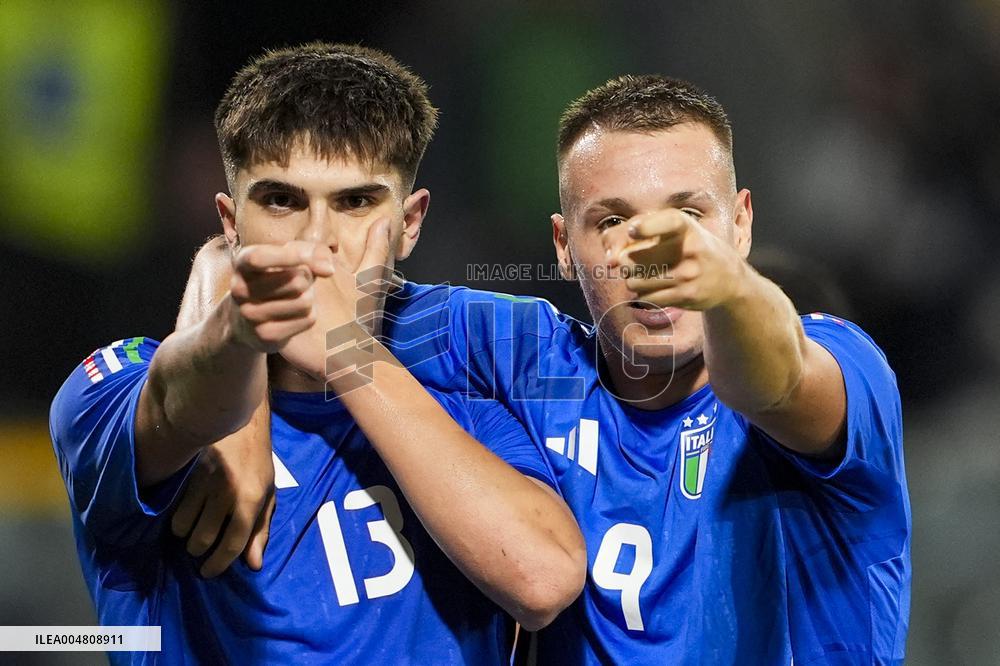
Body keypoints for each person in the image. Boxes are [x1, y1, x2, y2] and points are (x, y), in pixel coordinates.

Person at [187, 75, 910, 664]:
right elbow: (303, 282)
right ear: (563, 246)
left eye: (688, 216)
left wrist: (727, 289)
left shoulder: (843, 362)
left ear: (741, 223)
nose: (651, 252)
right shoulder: (531, 358)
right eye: (613, 222)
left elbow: (773, 379)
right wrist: (234, 409)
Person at [49, 42, 585, 664]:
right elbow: (174, 396)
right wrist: (241, 334)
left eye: (355, 202)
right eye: (281, 201)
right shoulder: (109, 389)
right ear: (229, 220)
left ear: (410, 223)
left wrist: (346, 353)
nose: (315, 242)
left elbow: (542, 581)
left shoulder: (465, 402)